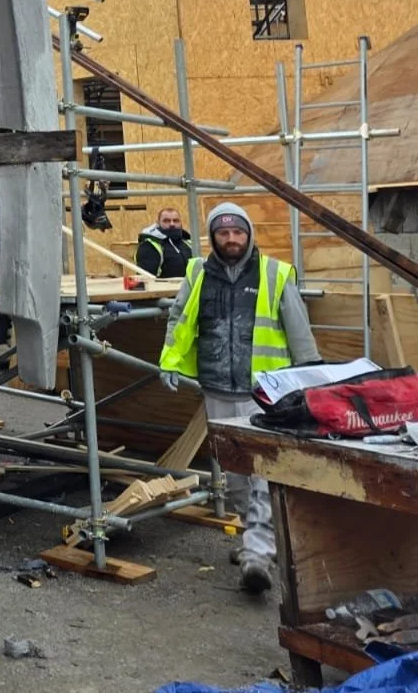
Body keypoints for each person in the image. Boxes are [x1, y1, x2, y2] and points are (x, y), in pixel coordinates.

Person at [158, 202, 321, 594]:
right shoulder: (197, 273)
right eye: (223, 233)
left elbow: (300, 333)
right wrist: (169, 360)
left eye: (238, 232)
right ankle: (256, 537)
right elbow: (179, 319)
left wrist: (310, 380)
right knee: (234, 478)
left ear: (249, 235)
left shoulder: (274, 274)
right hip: (217, 389)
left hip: (265, 394)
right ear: (213, 236)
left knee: (263, 475)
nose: (231, 239)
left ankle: (258, 555)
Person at [135, 207, 193, 279]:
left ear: (181, 222)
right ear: (158, 223)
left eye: (176, 221)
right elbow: (146, 280)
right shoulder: (149, 246)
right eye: (166, 221)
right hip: (164, 286)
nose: (172, 224)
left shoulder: (187, 243)